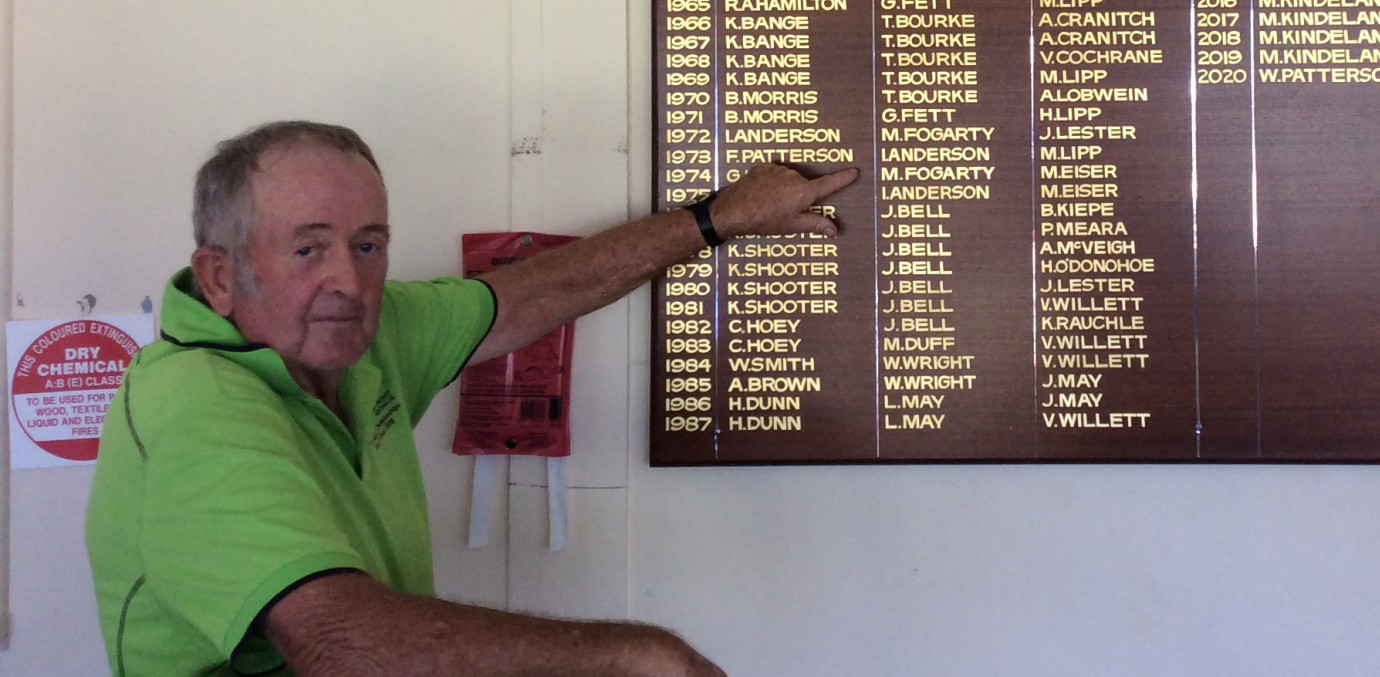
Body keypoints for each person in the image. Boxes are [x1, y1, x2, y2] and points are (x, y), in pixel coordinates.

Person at [85, 120, 857, 677]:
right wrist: (634, 656)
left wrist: (715, 220)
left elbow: (534, 292)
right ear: (219, 277)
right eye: (307, 246)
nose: (348, 281)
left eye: (368, 244)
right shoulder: (194, 404)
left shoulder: (361, 336)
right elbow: (346, 648)